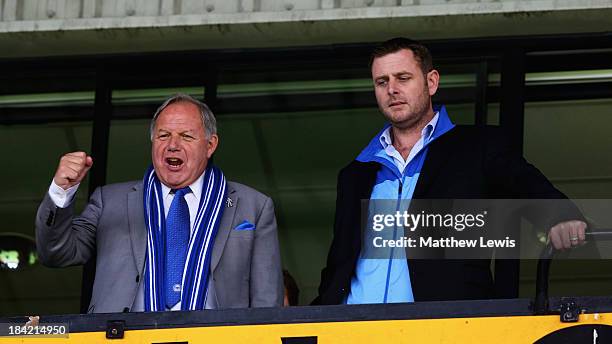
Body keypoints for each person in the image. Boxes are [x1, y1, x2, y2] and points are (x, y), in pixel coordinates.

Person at [314, 38, 586, 305]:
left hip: (440, 326)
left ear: (431, 82)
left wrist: (560, 217)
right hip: (353, 326)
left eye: (403, 78)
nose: (392, 89)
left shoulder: (477, 148)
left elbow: (528, 187)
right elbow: (339, 262)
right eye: (382, 82)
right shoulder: (355, 172)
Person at [36, 93, 283, 313]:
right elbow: (56, 253)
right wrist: (61, 191)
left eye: (186, 136)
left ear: (210, 145)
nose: (173, 145)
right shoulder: (110, 201)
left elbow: (267, 301)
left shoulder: (254, 206)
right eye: (163, 135)